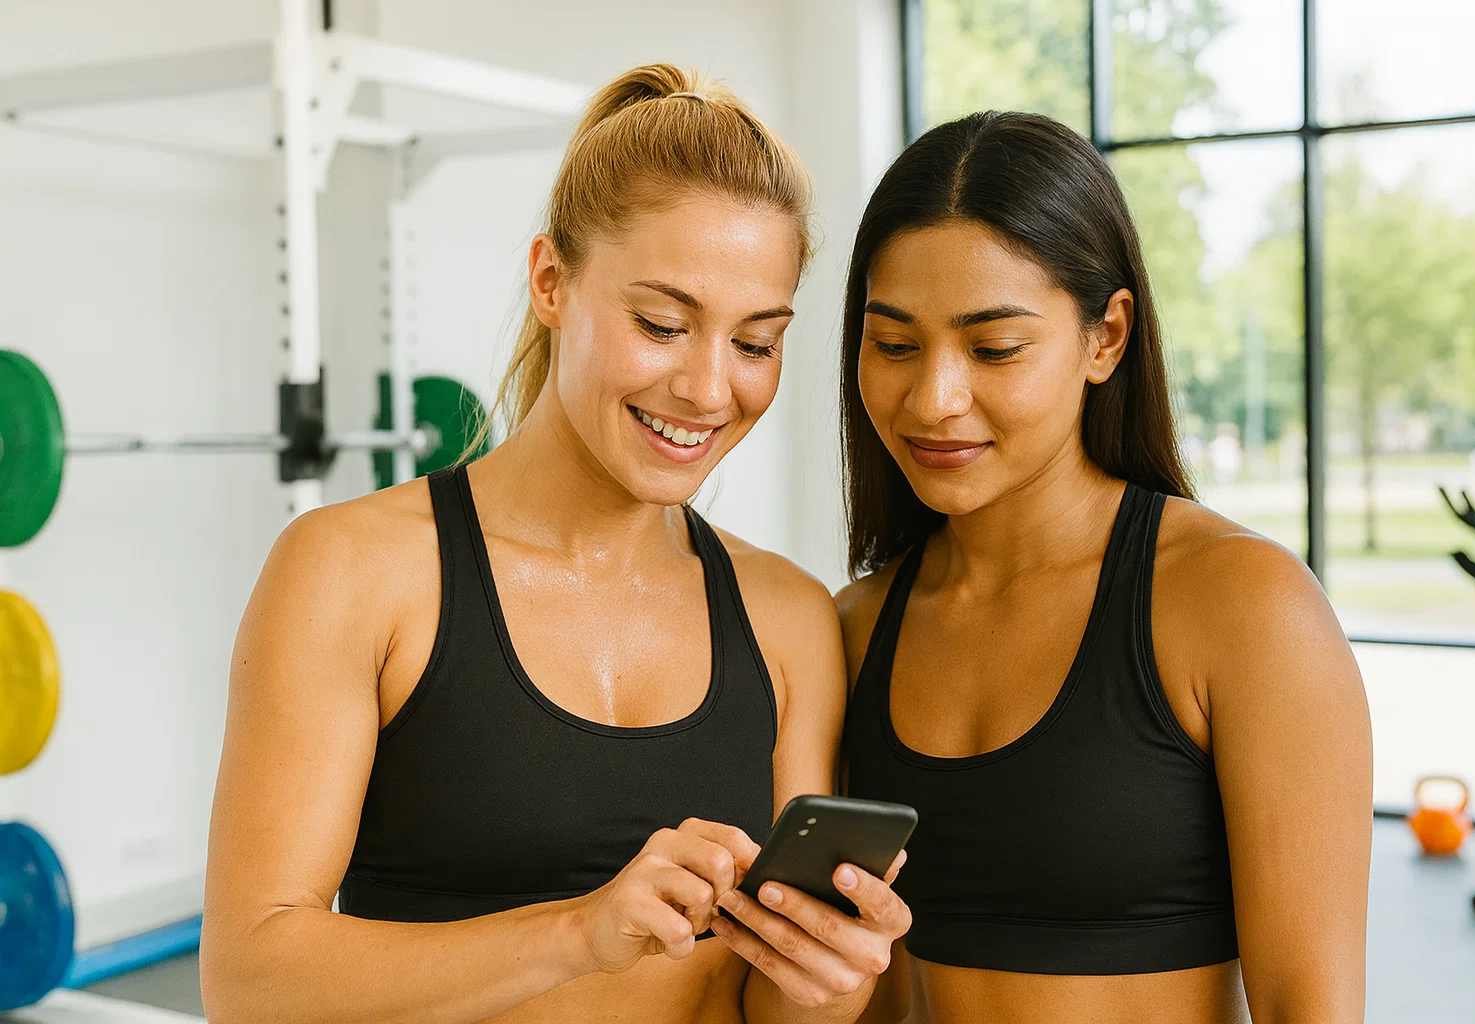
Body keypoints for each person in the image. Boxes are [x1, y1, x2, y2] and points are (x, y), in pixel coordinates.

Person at [202, 64, 909, 1024]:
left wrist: (834, 976)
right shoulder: (355, 571)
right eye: (662, 323)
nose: (709, 390)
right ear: (550, 281)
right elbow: (251, 982)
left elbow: (772, 1010)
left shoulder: (785, 617)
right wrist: (577, 935)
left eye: (754, 343)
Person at [837, 111, 1372, 1024]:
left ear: (1107, 337)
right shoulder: (852, 627)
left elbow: (1310, 1008)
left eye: (994, 348)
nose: (933, 397)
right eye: (894, 344)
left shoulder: (1241, 604)